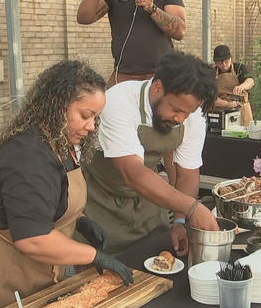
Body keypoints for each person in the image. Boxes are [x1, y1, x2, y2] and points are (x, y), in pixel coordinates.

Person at [0, 61, 133, 308]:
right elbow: (33, 239)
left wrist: (80, 221)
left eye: (95, 118)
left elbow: (50, 200)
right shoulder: (28, 156)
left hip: (26, 267)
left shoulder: (60, 143)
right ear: (57, 105)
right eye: (85, 115)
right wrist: (95, 256)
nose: (90, 127)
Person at [81, 51, 220, 257]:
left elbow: (187, 174)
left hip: (150, 204)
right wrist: (192, 207)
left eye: (187, 113)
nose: (180, 118)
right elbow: (133, 172)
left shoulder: (192, 116)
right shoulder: (118, 102)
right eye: (175, 109)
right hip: (101, 204)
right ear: (158, 87)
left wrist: (180, 221)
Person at [77, 0, 187, 88]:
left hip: (160, 75)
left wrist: (152, 8)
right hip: (123, 75)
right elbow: (84, 18)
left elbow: (180, 32)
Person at [212, 45, 254, 126]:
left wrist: (242, 86)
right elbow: (210, 99)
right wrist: (226, 104)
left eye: (226, 62)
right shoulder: (212, 74)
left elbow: (251, 81)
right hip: (220, 111)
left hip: (241, 110)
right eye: (220, 63)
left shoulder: (239, 68)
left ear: (231, 59)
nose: (224, 65)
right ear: (216, 63)